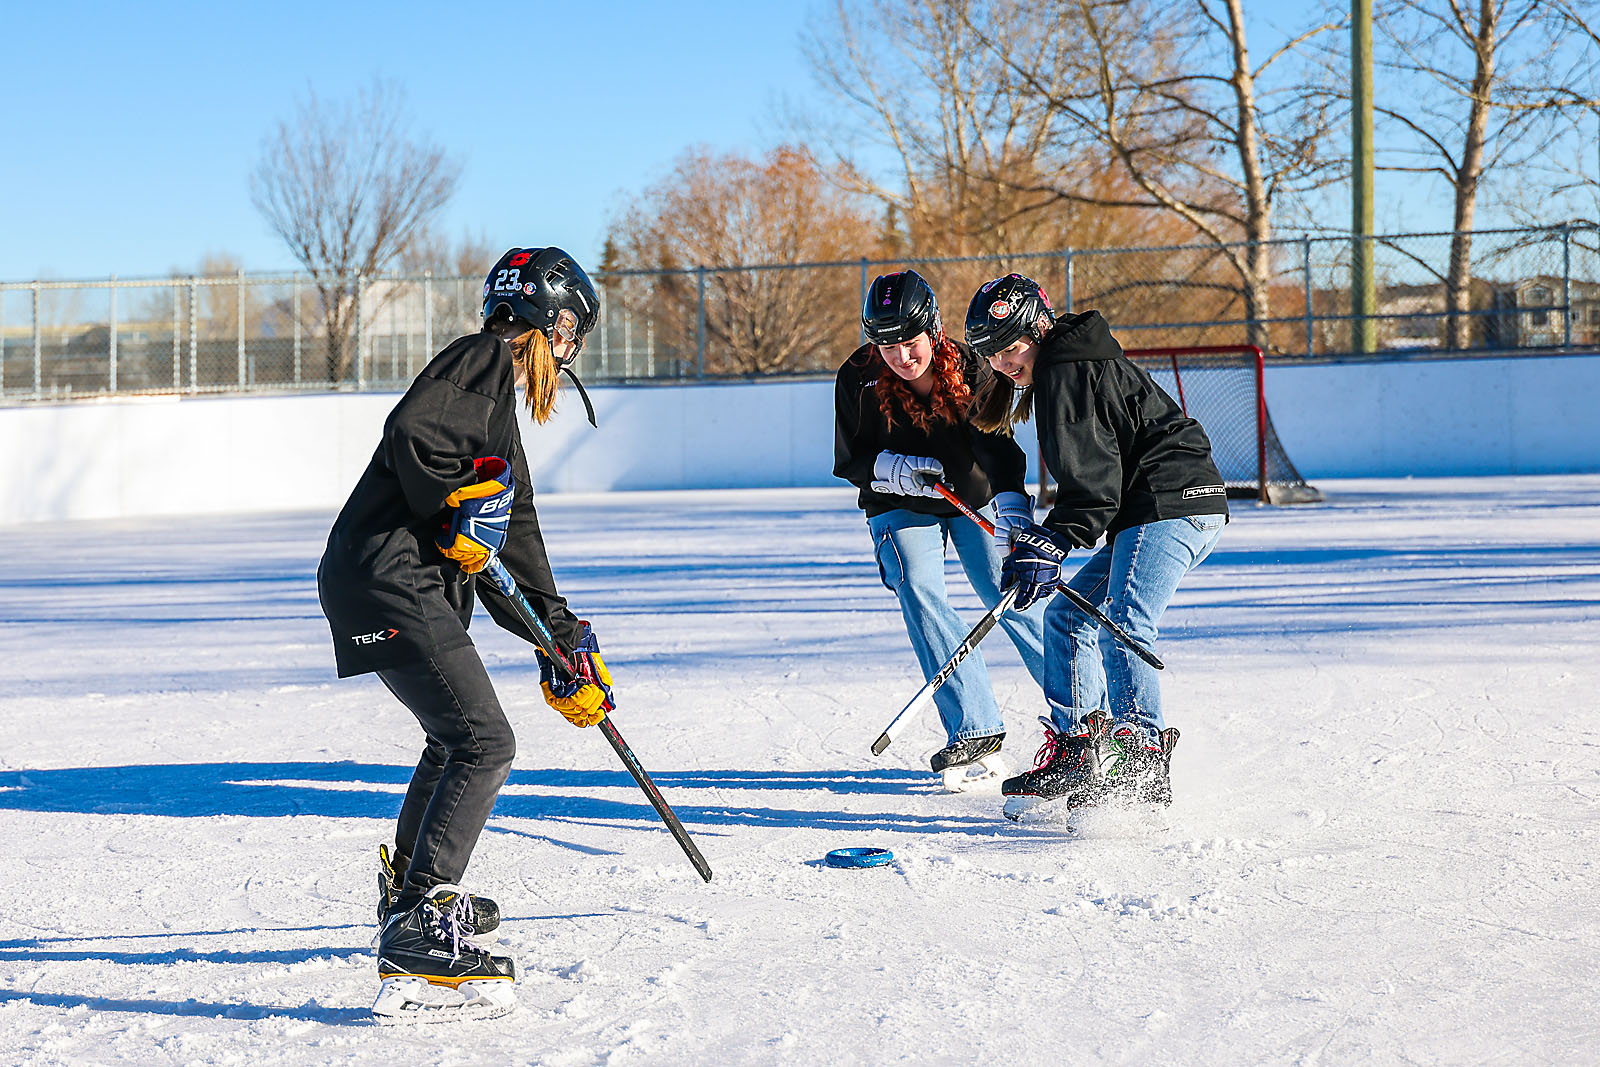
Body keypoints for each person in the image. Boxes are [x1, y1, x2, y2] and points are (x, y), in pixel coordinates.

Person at [317, 246, 614, 1021]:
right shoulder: (482, 357)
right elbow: (415, 435)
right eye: (574, 331)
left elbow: (509, 535)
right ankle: (418, 920)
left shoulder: (492, 400)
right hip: (390, 578)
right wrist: (459, 500)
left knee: (455, 738)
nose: (571, 350)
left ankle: (408, 896)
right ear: (553, 321)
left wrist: (561, 638)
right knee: (485, 741)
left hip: (372, 577)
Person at [962, 274, 1228, 821]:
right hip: (1151, 505)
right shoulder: (1064, 364)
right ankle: (1079, 750)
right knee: (1066, 618)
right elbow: (1098, 486)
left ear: (1038, 328)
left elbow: (1094, 487)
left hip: (1171, 499)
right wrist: (1047, 539)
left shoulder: (1065, 370)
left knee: (1125, 621)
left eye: (1011, 347)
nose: (1004, 363)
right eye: (992, 354)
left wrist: (1052, 540)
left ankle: (1141, 755)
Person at [834, 269, 1048, 791]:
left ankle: (1088, 714)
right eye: (887, 347)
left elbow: (1000, 446)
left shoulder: (974, 364)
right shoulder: (857, 376)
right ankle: (974, 725)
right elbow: (849, 459)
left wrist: (1015, 510)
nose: (901, 358)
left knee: (1015, 591)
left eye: (910, 343)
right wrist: (894, 470)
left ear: (931, 328)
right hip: (896, 502)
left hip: (972, 493)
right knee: (919, 587)